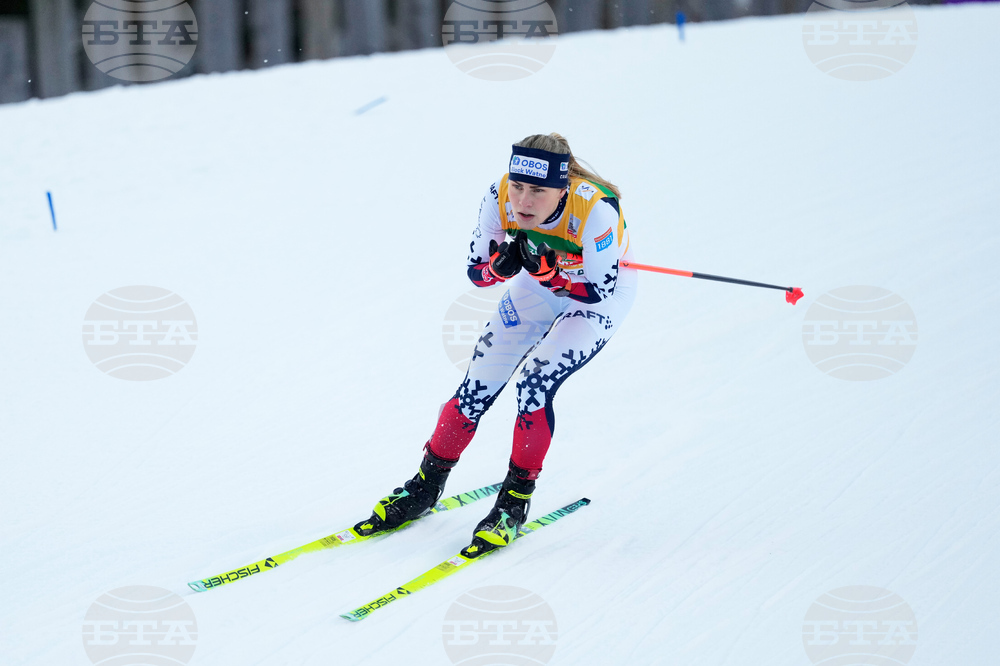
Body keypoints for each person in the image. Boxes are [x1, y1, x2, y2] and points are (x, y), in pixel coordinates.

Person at [355, 132, 636, 557]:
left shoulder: (595, 209)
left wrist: (551, 276)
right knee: (475, 387)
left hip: (595, 297)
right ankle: (425, 486)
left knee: (534, 384)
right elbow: (476, 273)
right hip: (538, 287)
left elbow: (599, 289)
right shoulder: (499, 195)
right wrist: (500, 266)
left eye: (538, 191)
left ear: (562, 189)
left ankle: (513, 504)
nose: (523, 200)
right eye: (519, 185)